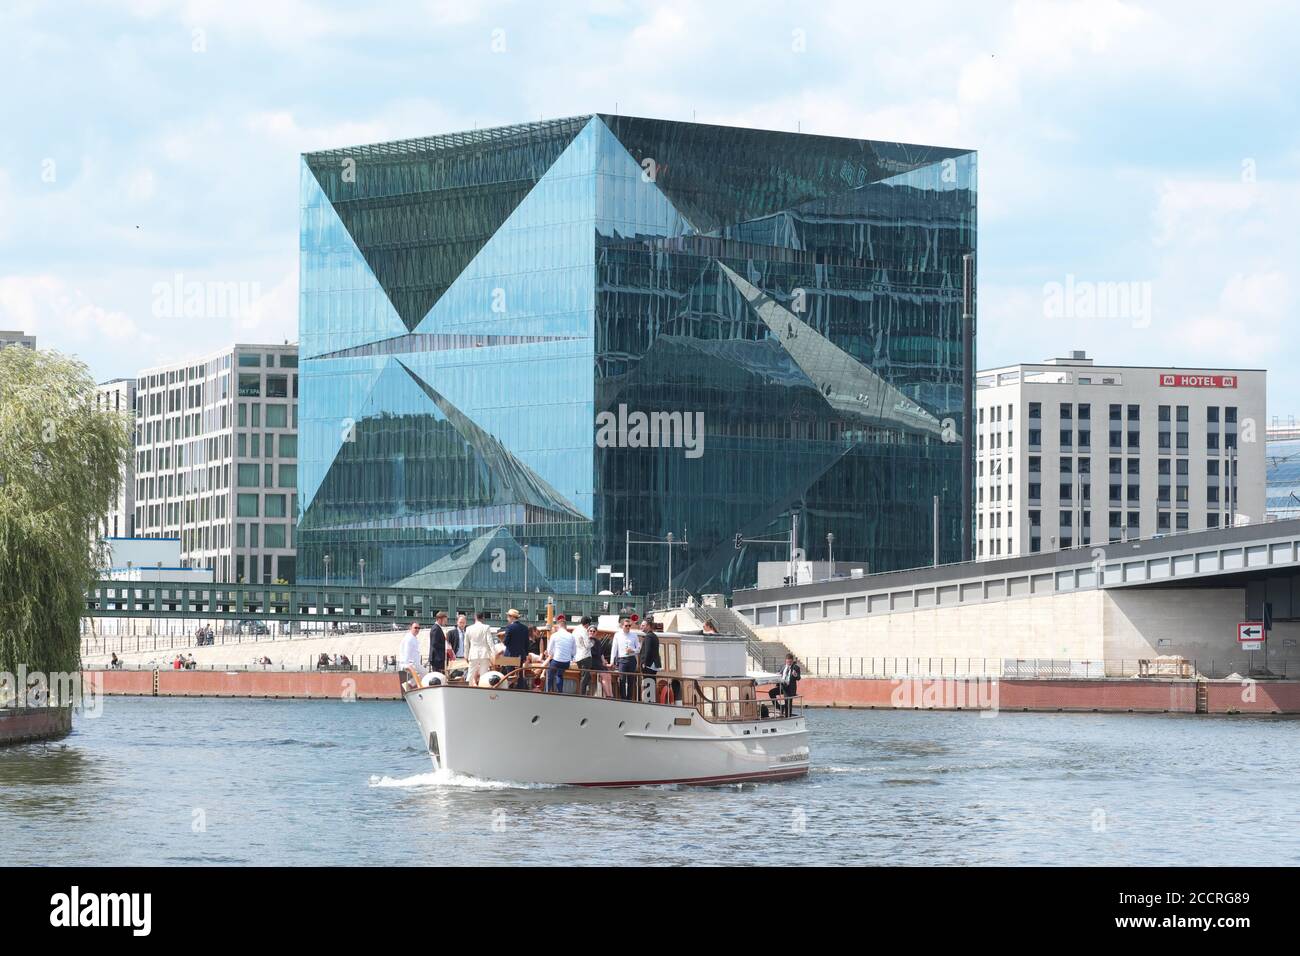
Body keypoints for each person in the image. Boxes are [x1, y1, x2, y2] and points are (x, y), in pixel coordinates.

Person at [543, 615, 575, 693]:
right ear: (565, 626)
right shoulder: (571, 636)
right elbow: (574, 652)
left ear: (558, 626)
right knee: (559, 675)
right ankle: (560, 693)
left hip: (556, 661)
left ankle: (546, 691)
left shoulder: (554, 635)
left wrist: (552, 653)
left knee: (550, 676)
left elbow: (549, 650)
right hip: (566, 663)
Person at [609, 617, 640, 700]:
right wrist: (612, 661)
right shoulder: (617, 635)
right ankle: (623, 698)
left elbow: (639, 648)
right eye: (626, 625)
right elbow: (614, 649)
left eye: (629, 625)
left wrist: (632, 650)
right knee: (622, 680)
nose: (628, 627)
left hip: (631, 659)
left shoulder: (634, 635)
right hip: (622, 660)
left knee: (631, 680)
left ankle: (629, 698)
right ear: (622, 626)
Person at [463, 611, 496, 687]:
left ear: (475, 617)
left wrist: (466, 655)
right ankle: (482, 689)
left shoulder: (468, 628)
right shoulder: (486, 627)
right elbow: (490, 641)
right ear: (483, 618)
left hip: (473, 653)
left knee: (470, 674)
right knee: (483, 674)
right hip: (484, 654)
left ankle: (466, 688)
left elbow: (466, 644)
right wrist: (494, 653)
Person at [502, 609, 531, 689]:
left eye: (508, 616)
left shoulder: (509, 627)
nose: (507, 618)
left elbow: (506, 642)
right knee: (520, 674)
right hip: (521, 655)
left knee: (510, 674)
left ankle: (510, 690)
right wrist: (526, 655)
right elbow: (526, 643)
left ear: (511, 617)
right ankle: (520, 689)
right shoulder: (525, 628)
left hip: (510, 655)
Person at [573, 616, 599, 696]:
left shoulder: (576, 629)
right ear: (587, 624)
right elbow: (588, 645)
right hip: (585, 657)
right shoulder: (584, 631)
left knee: (585, 676)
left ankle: (585, 692)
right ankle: (582, 694)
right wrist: (593, 641)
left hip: (577, 657)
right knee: (585, 677)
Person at [638, 619, 661, 700]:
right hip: (654, 665)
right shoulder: (654, 636)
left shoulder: (648, 637)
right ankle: (651, 700)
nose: (641, 627)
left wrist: (644, 663)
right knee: (652, 682)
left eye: (643, 625)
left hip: (649, 665)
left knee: (647, 681)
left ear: (648, 626)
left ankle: (648, 700)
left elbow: (647, 651)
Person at [397, 621, 423, 690]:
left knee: (423, 673)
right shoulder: (409, 639)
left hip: (414, 663)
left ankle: (409, 684)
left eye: (418, 628)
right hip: (410, 664)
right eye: (415, 628)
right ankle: (409, 684)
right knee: (425, 673)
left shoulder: (413, 638)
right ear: (410, 628)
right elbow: (406, 652)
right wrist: (408, 665)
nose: (417, 629)